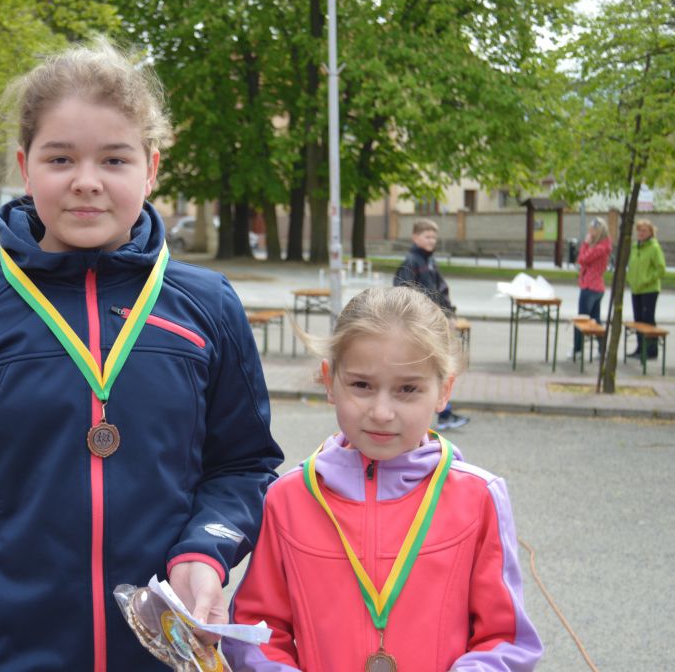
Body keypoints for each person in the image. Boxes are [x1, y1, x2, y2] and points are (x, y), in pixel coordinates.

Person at [0, 40, 283, 671]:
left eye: (114, 159)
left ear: (151, 169)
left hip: (161, 658)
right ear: (25, 167)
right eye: (60, 158)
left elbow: (244, 464)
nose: (86, 180)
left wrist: (205, 549)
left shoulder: (207, 306)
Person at [225, 287, 543, 671]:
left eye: (407, 389)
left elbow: (505, 638)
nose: (381, 412)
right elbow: (257, 629)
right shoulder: (288, 498)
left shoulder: (479, 498)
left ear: (444, 390)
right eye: (362, 385)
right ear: (330, 381)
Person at [393, 218, 468, 430]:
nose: (431, 241)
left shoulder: (429, 261)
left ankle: (444, 413)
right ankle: (441, 414)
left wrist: (449, 314)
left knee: (434, 369)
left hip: (434, 324)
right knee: (429, 370)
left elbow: (440, 290)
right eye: (427, 236)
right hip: (421, 328)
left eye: (434, 237)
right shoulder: (411, 262)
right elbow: (403, 294)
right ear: (415, 237)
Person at [570, 217, 612, 360]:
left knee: (582, 319)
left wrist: (585, 244)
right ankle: (602, 350)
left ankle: (578, 350)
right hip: (596, 287)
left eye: (592, 230)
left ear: (598, 232)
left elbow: (582, 259)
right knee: (595, 320)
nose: (589, 232)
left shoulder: (599, 248)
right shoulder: (602, 246)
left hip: (590, 287)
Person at [627, 218, 666, 359]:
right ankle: (640, 348)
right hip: (636, 289)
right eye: (639, 231)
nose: (641, 233)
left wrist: (646, 280)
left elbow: (661, 269)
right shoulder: (635, 247)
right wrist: (630, 279)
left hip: (649, 289)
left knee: (647, 319)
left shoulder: (654, 247)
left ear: (651, 232)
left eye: (644, 231)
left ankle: (651, 350)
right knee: (638, 320)